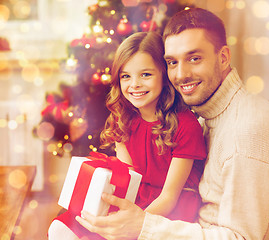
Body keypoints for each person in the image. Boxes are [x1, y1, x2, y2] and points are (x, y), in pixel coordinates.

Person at [76, 8, 269, 240]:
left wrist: (142, 227)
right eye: (172, 62)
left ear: (223, 57)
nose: (181, 74)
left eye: (194, 58)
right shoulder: (206, 114)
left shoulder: (247, 132)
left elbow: (240, 237)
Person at [48, 31, 206, 239]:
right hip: (135, 198)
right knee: (62, 228)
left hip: (169, 209)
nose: (134, 84)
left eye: (146, 74)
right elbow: (128, 182)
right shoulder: (123, 119)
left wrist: (131, 223)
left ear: (164, 75)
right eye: (126, 76)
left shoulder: (186, 125)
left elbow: (169, 197)